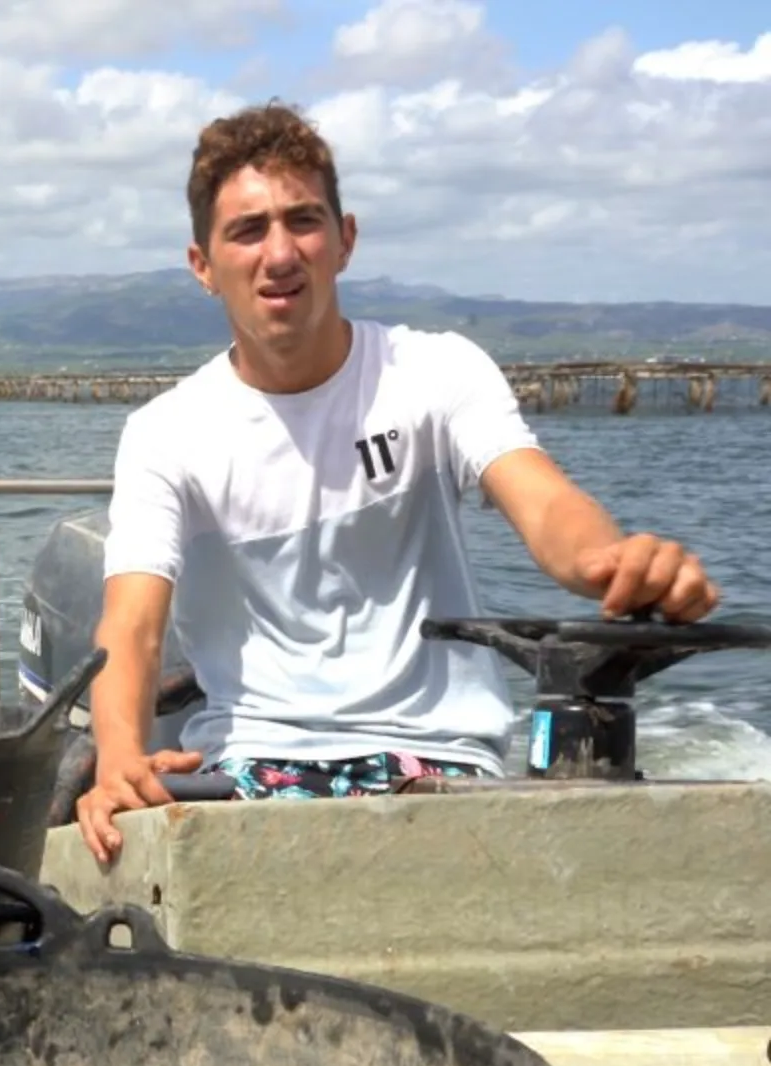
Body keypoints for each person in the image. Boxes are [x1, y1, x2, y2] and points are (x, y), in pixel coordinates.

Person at [75, 100, 721, 868]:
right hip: (252, 762)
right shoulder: (166, 431)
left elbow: (545, 506)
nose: (280, 253)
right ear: (203, 266)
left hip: (439, 759)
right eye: (248, 230)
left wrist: (616, 568)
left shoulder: (435, 372)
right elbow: (133, 626)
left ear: (344, 241)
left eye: (304, 220)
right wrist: (118, 753)